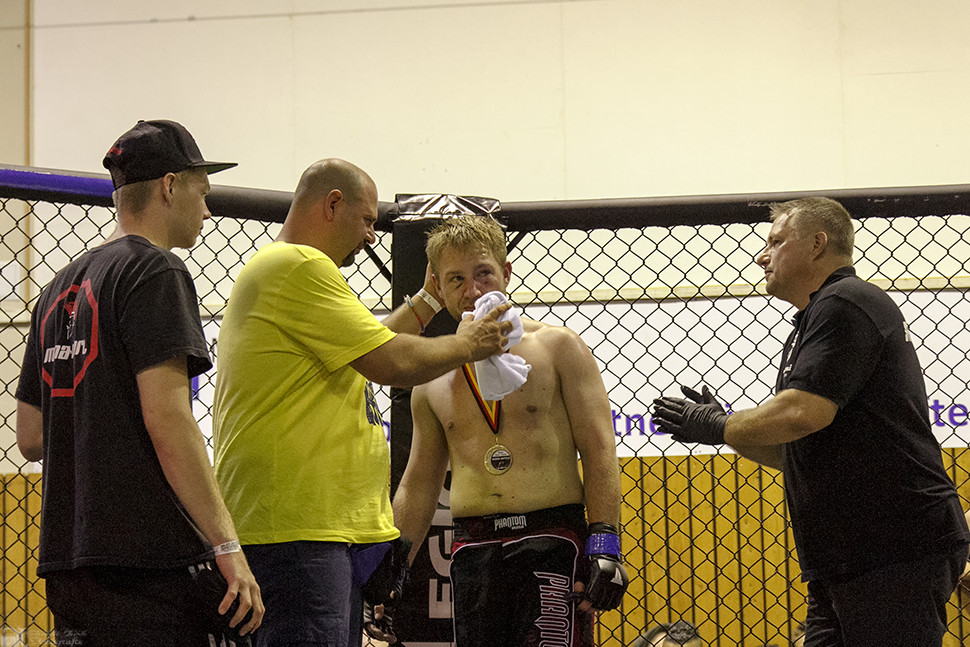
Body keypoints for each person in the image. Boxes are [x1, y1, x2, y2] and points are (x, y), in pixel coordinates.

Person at [211, 160, 513, 647]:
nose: (372, 235)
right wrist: (469, 343)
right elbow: (389, 360)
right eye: (368, 220)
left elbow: (372, 342)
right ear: (333, 204)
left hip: (311, 532)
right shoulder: (298, 265)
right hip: (300, 532)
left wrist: (429, 300)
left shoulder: (289, 271)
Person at [653, 197, 970, 646]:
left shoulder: (845, 301)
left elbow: (802, 412)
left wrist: (718, 424)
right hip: (850, 556)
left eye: (776, 242)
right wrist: (722, 428)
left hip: (893, 546)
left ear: (817, 244)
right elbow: (795, 451)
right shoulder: (813, 319)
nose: (761, 256)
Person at [14, 119, 263, 645]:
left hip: (68, 564)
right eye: (202, 192)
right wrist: (227, 547)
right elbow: (169, 419)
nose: (208, 210)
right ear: (170, 186)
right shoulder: (156, 271)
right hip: (146, 566)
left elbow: (30, 436)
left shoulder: (57, 288)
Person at [386, 215, 628, 647]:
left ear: (506, 273)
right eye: (457, 279)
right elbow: (419, 482)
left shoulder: (558, 347)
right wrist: (394, 566)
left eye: (483, 273)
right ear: (438, 287)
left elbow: (599, 448)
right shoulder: (431, 377)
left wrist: (605, 539)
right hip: (473, 547)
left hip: (552, 537)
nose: (473, 290)